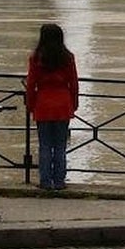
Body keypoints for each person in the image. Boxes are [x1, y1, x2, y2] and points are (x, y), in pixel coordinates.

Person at [25, 23, 79, 191]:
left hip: (43, 103)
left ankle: (46, 181)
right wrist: (74, 104)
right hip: (63, 104)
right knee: (61, 146)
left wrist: (30, 104)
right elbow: (74, 84)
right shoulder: (68, 57)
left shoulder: (36, 57)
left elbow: (31, 84)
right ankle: (60, 181)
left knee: (45, 145)